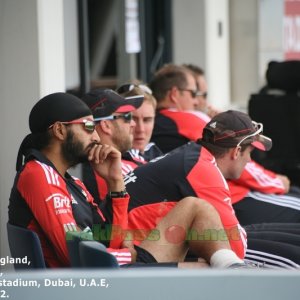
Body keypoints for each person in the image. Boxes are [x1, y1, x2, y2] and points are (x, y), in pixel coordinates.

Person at [8, 92, 247, 269]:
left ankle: (234, 270)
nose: (95, 135)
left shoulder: (70, 182)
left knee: (196, 213)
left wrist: (115, 184)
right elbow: (75, 254)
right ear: (60, 131)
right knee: (204, 258)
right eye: (89, 126)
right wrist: (127, 255)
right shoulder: (39, 174)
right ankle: (236, 273)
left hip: (108, 270)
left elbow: (114, 237)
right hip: (92, 284)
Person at [126, 110, 300, 268]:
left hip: (139, 243)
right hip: (136, 256)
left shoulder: (194, 155)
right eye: (250, 152)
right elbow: (236, 248)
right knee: (290, 261)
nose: (249, 160)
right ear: (237, 151)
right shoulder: (202, 169)